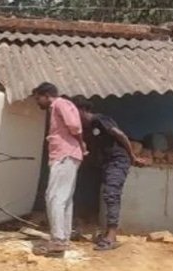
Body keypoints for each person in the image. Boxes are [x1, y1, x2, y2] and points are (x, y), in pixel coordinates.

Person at [75, 100, 149, 251]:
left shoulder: (99, 120)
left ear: (82, 110)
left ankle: (112, 236)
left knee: (111, 194)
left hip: (117, 160)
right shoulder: (85, 128)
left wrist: (132, 156)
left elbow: (120, 135)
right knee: (93, 193)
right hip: (103, 163)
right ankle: (97, 230)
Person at [32, 83, 87, 257]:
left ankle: (58, 240)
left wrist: (81, 142)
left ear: (47, 95)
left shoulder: (60, 104)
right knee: (64, 198)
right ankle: (63, 238)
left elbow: (74, 126)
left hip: (64, 155)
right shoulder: (60, 106)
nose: (37, 102)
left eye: (38, 98)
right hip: (68, 155)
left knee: (54, 197)